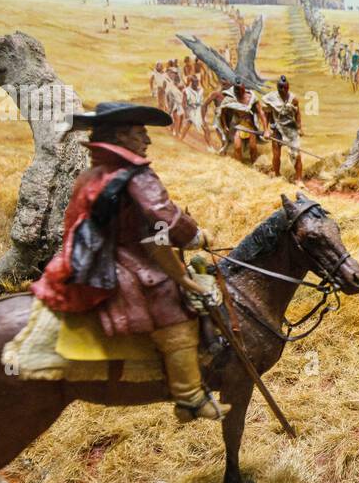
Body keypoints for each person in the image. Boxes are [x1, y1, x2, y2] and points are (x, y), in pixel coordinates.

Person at [29, 102, 222, 422]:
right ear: (122, 136)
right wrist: (195, 237)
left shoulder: (93, 173)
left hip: (82, 259)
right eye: (140, 133)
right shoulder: (136, 175)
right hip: (119, 260)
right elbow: (166, 218)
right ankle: (189, 395)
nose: (147, 140)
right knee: (171, 300)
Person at [261, 75, 304, 181]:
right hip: (277, 129)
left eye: (285, 87)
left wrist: (299, 128)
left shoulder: (293, 99)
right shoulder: (271, 98)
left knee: (296, 155)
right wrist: (266, 130)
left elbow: (297, 114)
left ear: (288, 87)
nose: (284, 90)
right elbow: (266, 114)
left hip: (290, 129)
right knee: (276, 155)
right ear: (277, 87)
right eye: (281, 87)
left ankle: (298, 179)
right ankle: (277, 175)